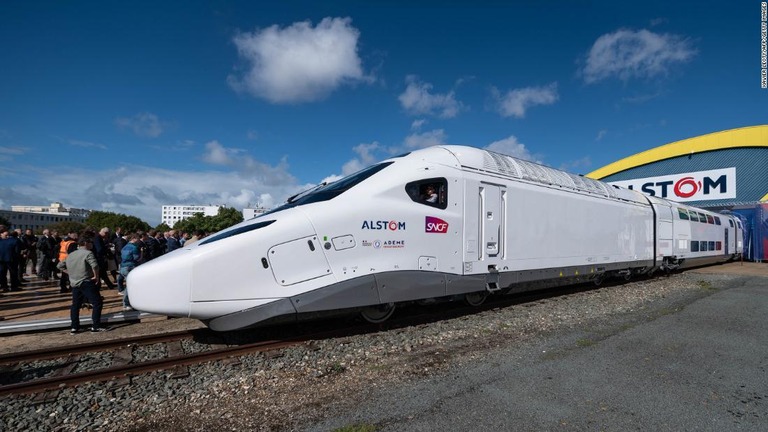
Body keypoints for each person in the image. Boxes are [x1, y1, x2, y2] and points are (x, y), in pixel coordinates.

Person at [57, 237, 107, 333]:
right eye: (90, 242)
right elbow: (95, 266)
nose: (92, 244)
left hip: (74, 282)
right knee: (97, 302)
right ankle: (96, 326)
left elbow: (59, 266)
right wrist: (96, 277)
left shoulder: (70, 255)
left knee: (75, 305)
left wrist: (70, 273)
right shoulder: (88, 253)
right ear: (85, 243)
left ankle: (74, 327)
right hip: (86, 281)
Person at [118, 234, 142, 311]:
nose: (139, 240)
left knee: (129, 286)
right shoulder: (134, 248)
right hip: (130, 267)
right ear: (133, 238)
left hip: (123, 267)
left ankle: (130, 303)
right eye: (138, 238)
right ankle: (126, 304)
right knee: (130, 287)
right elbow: (137, 259)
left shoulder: (124, 247)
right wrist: (142, 253)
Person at [0, 226, 22, 292]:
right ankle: (14, 287)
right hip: (12, 260)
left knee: (2, 274)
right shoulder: (15, 240)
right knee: (13, 274)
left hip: (1, 260)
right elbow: (17, 251)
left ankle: (4, 287)